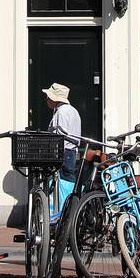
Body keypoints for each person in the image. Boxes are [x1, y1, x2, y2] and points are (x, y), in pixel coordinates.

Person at [43, 82, 81, 212]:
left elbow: (61, 135)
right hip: (71, 151)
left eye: (48, 97)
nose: (46, 99)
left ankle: (59, 213)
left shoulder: (62, 113)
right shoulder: (73, 111)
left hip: (63, 151)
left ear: (54, 98)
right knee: (68, 179)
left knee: (61, 181)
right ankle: (67, 211)